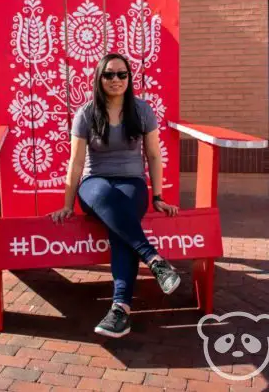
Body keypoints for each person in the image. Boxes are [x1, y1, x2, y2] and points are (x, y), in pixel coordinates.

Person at [51, 53, 181, 338]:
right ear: (99, 78)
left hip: (132, 183)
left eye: (122, 74)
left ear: (129, 78)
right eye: (109, 74)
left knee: (119, 227)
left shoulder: (142, 110)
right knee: (108, 199)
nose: (116, 80)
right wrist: (66, 203)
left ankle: (120, 309)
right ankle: (155, 260)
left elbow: (154, 156)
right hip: (94, 184)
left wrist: (157, 196)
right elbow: (75, 163)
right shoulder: (85, 113)